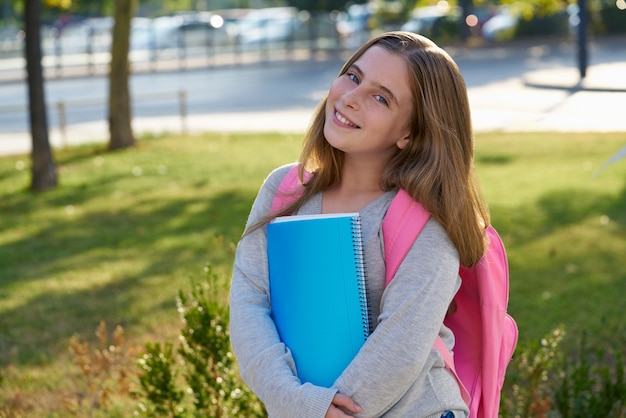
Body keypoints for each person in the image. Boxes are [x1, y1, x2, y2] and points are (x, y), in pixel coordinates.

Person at [229, 31, 490, 418]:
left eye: (380, 98)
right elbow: (248, 303)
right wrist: (297, 403)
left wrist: (322, 413)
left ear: (409, 133)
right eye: (353, 76)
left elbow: (400, 347)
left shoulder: (427, 222)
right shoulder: (283, 191)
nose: (350, 98)